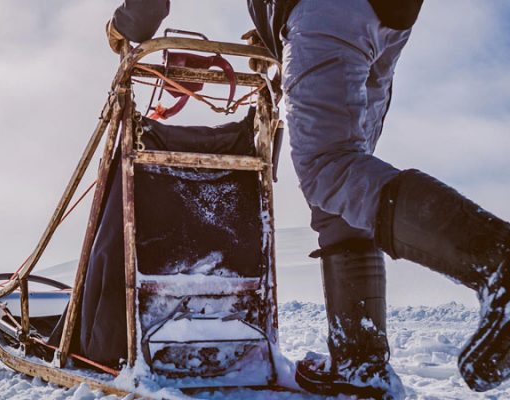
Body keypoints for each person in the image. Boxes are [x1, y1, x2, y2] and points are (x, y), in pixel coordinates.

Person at [105, 0, 510, 397]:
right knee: (345, 185)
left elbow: (147, 8)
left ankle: (497, 260)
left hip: (327, 11)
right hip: (386, 18)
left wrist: (128, 24)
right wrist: (273, 32)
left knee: (329, 166)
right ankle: (359, 365)